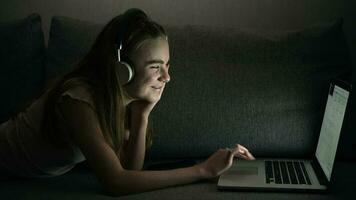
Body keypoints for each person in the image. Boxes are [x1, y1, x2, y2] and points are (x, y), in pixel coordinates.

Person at [0, 8, 255, 196]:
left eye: (166, 65)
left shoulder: (123, 98)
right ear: (123, 69)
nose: (167, 77)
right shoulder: (78, 100)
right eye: (155, 67)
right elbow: (117, 183)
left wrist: (142, 115)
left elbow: (130, 169)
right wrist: (203, 170)